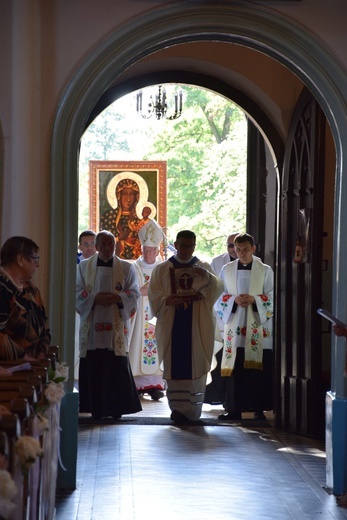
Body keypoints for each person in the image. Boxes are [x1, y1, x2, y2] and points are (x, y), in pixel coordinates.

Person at [148, 230, 224, 422]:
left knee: (196, 362)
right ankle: (177, 410)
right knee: (175, 365)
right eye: (182, 245)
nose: (186, 249)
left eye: (190, 246)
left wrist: (205, 276)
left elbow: (218, 288)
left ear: (194, 246)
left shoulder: (203, 266)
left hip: (196, 325)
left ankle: (193, 410)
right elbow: (154, 295)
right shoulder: (162, 269)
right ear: (176, 244)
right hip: (173, 324)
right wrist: (167, 301)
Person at [76, 230, 142, 420]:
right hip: (92, 324)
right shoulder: (83, 267)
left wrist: (117, 298)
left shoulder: (126, 268)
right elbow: (76, 291)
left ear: (116, 246)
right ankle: (95, 408)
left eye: (110, 244)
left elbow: (134, 294)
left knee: (115, 364)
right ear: (96, 247)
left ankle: (116, 408)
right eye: (103, 245)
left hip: (116, 326)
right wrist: (96, 298)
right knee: (94, 364)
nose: (107, 248)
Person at [214, 233, 274, 421]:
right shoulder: (227, 269)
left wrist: (254, 299)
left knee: (257, 371)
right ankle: (233, 409)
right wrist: (233, 299)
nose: (240, 253)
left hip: (256, 326)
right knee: (235, 370)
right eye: (237, 249)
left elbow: (272, 296)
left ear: (253, 248)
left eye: (245, 249)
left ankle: (258, 409)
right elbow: (219, 295)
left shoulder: (265, 270)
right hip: (235, 327)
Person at [128, 219, 166, 400]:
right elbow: (129, 290)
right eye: (145, 249)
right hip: (137, 317)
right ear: (141, 249)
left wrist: (148, 291)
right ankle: (136, 384)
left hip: (157, 315)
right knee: (136, 347)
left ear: (157, 251)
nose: (148, 252)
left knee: (157, 348)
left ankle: (155, 386)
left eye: (151, 250)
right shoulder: (133, 267)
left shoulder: (163, 268)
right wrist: (142, 291)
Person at [0, 236, 51, 360]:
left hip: (35, 365)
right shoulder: (3, 288)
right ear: (21, 259)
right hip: (12, 367)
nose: (37, 264)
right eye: (35, 258)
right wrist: (25, 357)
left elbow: (44, 323)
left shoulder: (32, 290)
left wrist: (43, 351)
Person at [205, 232, 241, 405]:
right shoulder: (218, 262)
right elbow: (213, 289)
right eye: (230, 246)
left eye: (237, 245)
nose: (234, 249)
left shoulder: (256, 265)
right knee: (221, 358)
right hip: (223, 317)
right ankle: (217, 396)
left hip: (244, 317)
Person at [100, 178, 143, 260]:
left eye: (132, 194)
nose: (128, 199)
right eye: (125, 194)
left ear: (137, 197)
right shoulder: (109, 216)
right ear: (118, 195)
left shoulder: (140, 220)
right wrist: (119, 238)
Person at [75, 230, 97, 380]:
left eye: (93, 244)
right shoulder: (74, 263)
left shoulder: (103, 263)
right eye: (86, 244)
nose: (90, 247)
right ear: (79, 246)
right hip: (77, 311)